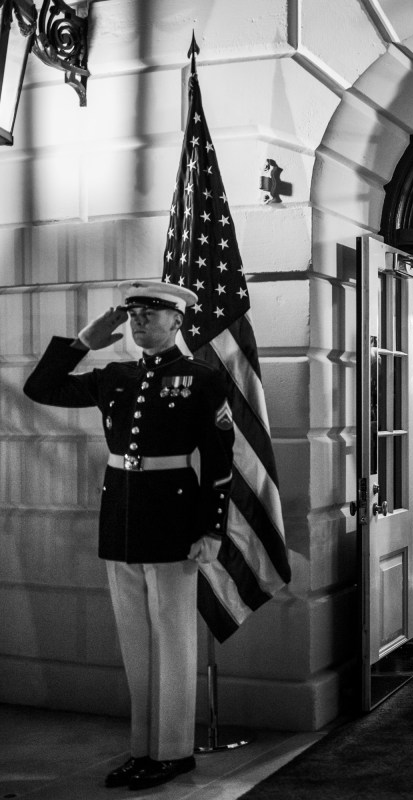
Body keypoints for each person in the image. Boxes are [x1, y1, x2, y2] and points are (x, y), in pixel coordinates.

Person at [23, 280, 234, 791]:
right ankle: (143, 748)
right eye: (133, 315)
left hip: (173, 521)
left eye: (151, 314)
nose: (139, 323)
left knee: (172, 640)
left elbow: (221, 463)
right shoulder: (114, 375)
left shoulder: (201, 378)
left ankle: (173, 751)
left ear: (177, 321)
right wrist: (81, 342)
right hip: (120, 516)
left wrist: (212, 528)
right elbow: (41, 389)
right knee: (136, 643)